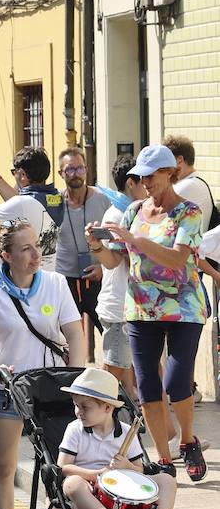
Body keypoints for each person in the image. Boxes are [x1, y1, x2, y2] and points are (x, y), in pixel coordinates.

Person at [88, 145, 208, 482]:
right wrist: (97, 247)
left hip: (183, 308)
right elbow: (115, 261)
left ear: (169, 173)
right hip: (140, 308)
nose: (144, 181)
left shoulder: (189, 212)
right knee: (148, 386)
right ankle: (165, 460)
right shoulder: (134, 212)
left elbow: (176, 259)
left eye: (150, 175)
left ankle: (187, 440)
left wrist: (136, 240)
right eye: (140, 176)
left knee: (176, 381)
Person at [0, 218, 88, 509]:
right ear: (6, 255)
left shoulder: (55, 283)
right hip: (6, 389)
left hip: (49, 388)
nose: (36, 254)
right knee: (3, 465)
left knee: (57, 465)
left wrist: (75, 376)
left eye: (37, 246)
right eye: (26, 249)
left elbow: (74, 333)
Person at [55, 368, 176, 509]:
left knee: (167, 480)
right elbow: (63, 467)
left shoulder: (127, 431)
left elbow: (139, 470)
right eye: (76, 406)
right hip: (89, 487)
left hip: (124, 486)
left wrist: (127, 466)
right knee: (71, 484)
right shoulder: (75, 429)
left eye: (85, 407)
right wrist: (95, 474)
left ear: (107, 407)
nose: (78, 412)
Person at [95, 154, 146, 403]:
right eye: (143, 181)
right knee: (111, 373)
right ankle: (90, 419)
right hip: (118, 308)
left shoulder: (138, 211)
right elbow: (117, 259)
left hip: (137, 306)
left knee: (146, 372)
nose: (147, 187)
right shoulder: (115, 216)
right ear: (130, 183)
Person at [55, 147, 112, 338]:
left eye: (80, 168)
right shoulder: (54, 203)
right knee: (67, 340)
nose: (76, 174)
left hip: (99, 279)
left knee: (112, 336)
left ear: (86, 170)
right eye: (70, 169)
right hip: (66, 282)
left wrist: (103, 269)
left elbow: (119, 242)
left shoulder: (104, 200)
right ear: (61, 173)